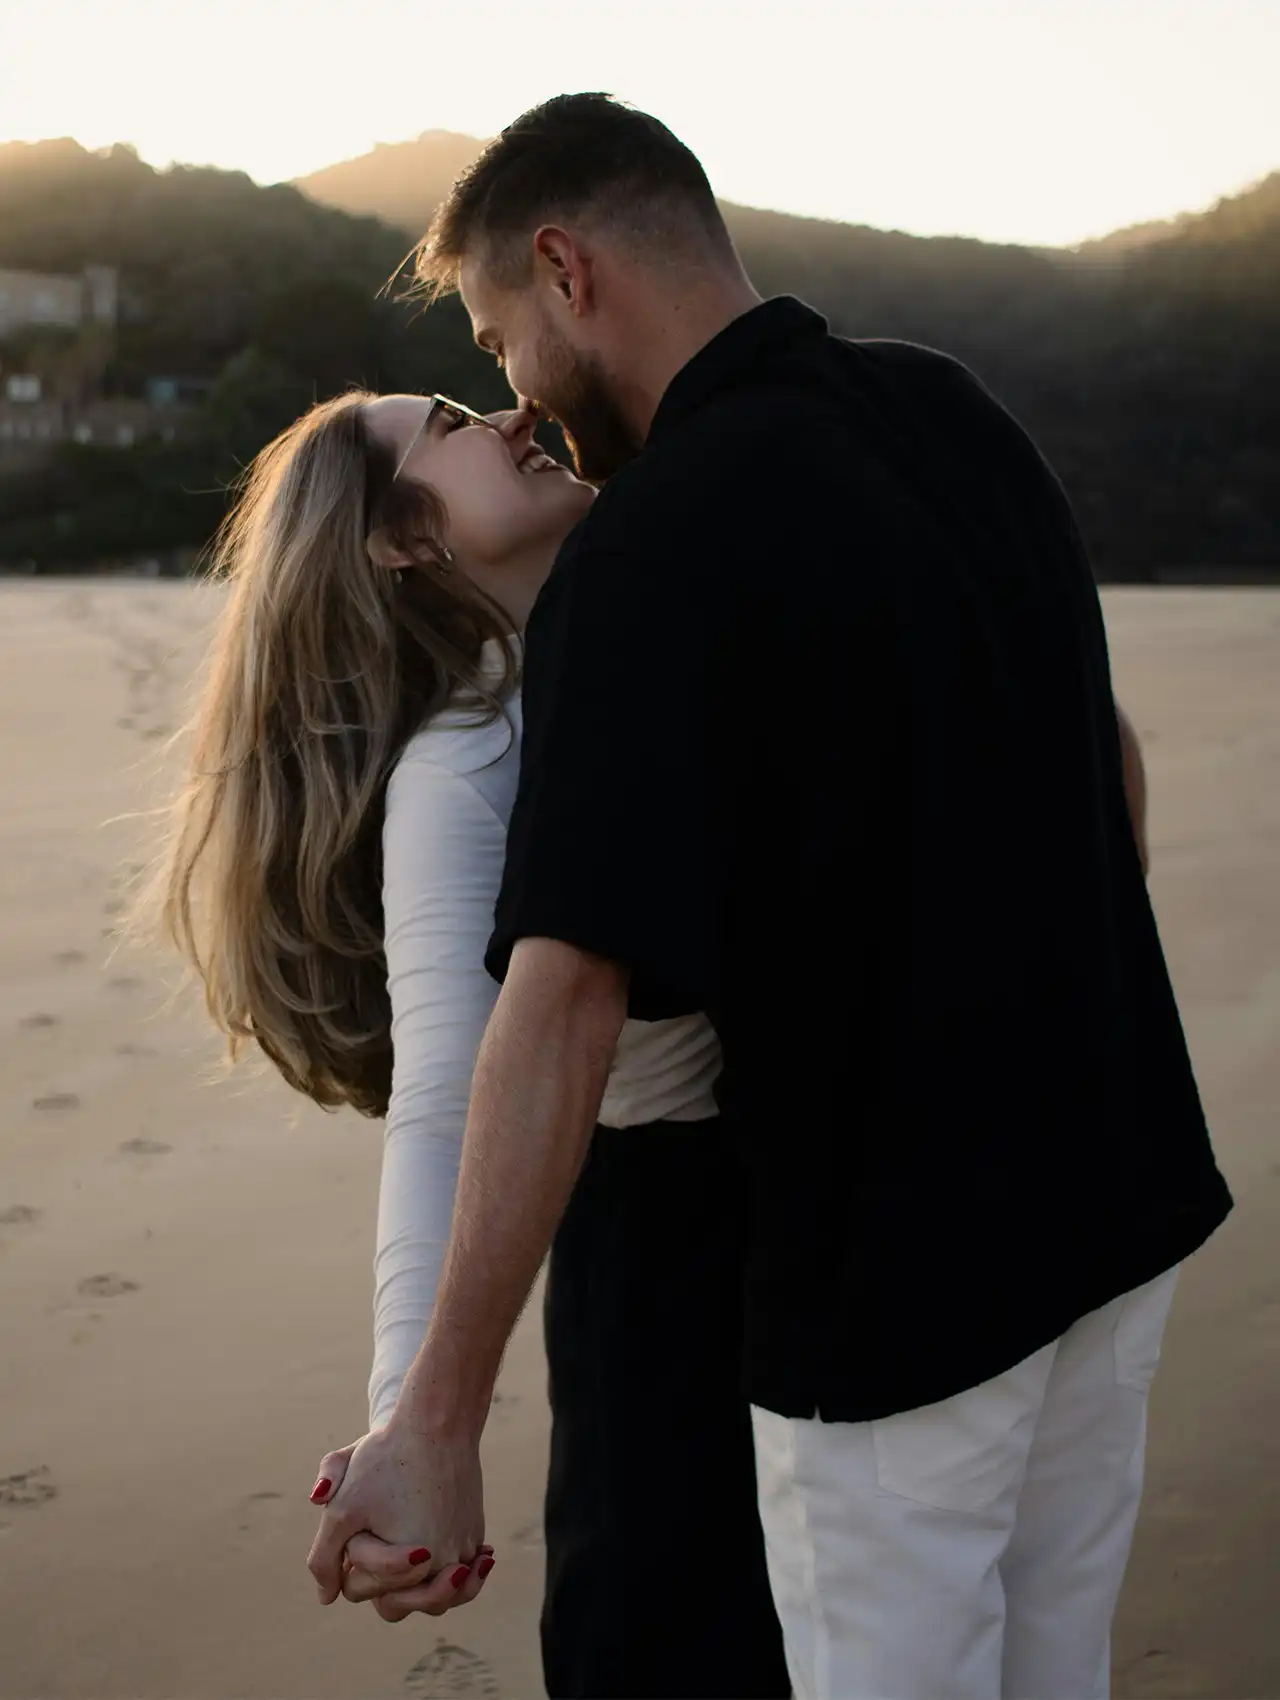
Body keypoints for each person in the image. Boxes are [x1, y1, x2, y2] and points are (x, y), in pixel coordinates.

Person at [306, 95, 1233, 1699]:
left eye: (496, 335)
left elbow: (563, 997)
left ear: (565, 270)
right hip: (1120, 1207)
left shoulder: (652, 547)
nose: (517, 392)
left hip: (904, 1301)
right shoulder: (953, 409)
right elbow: (1114, 773)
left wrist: (438, 1418)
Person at [146, 386, 789, 1698]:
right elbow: (447, 1094)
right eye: (447, 420)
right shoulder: (474, 747)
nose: (507, 411)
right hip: (676, 1260)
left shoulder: (640, 637)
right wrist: (410, 1419)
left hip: (798, 1215)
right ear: (402, 542)